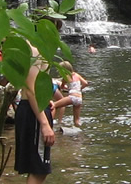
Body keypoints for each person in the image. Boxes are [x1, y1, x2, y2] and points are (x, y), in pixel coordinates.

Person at [14, 43, 55, 183]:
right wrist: (44, 124)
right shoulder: (34, 51)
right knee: (39, 169)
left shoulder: (30, 48)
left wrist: (45, 98)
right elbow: (30, 89)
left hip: (32, 108)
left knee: (36, 167)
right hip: (34, 112)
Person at [51, 61, 89, 127]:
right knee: (76, 120)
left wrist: (65, 88)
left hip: (72, 97)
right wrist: (80, 88)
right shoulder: (77, 75)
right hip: (79, 98)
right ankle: (79, 131)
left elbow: (62, 87)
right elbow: (85, 83)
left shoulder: (65, 77)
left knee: (54, 106)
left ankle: (50, 123)